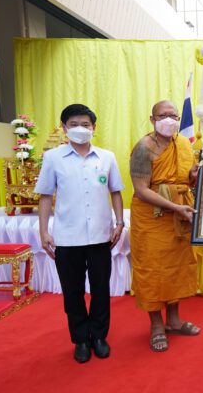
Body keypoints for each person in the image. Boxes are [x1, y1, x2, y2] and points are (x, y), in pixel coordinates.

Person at [35, 104, 124, 363]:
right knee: (72, 292)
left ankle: (99, 336)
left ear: (94, 127)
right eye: (74, 124)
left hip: (100, 237)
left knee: (100, 290)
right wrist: (44, 231)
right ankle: (81, 339)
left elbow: (115, 191)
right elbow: (45, 196)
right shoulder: (53, 158)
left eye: (85, 124)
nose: (80, 129)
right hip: (67, 238)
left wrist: (119, 223)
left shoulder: (106, 157)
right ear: (64, 128)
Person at [129, 100, 200, 353]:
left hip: (180, 214)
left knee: (175, 269)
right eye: (163, 115)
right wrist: (174, 207)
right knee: (153, 270)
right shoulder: (143, 148)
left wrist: (194, 176)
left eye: (173, 115)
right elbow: (141, 190)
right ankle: (157, 325)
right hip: (152, 218)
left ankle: (174, 320)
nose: (169, 120)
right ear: (152, 119)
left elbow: (185, 181)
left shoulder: (184, 144)